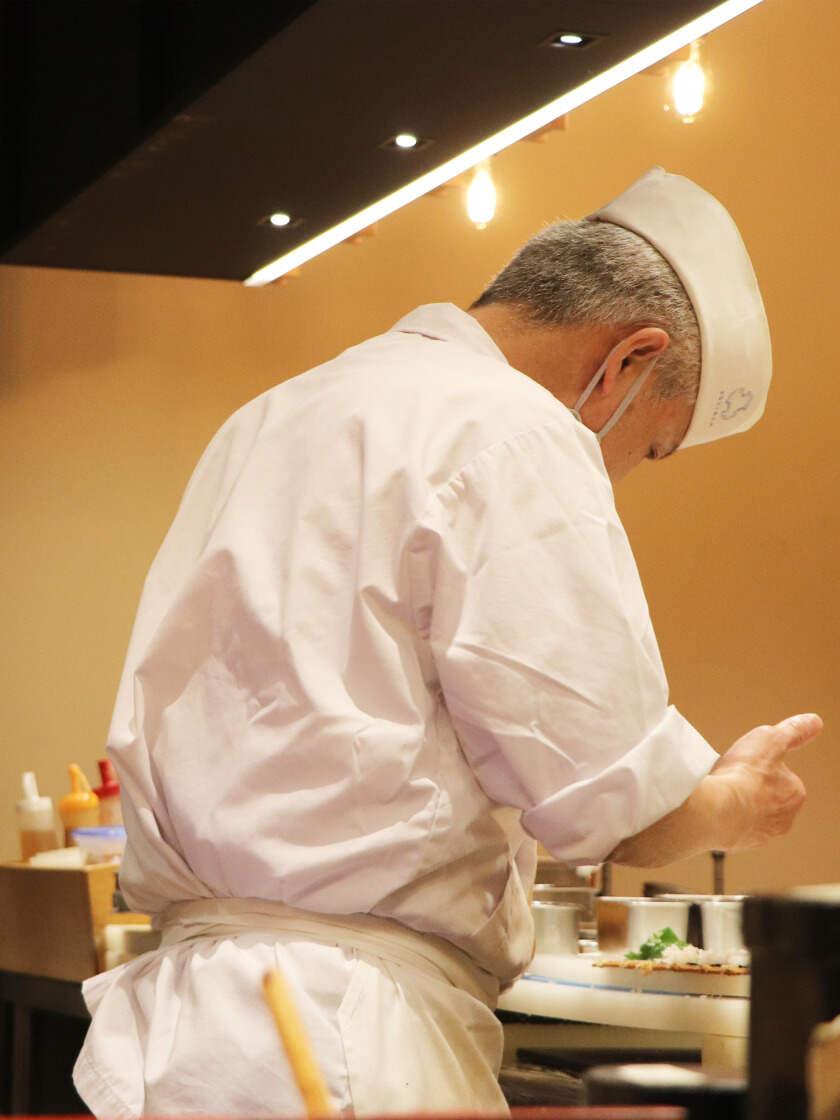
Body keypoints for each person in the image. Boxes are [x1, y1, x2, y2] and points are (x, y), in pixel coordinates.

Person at [73, 167, 822, 1117]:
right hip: (345, 1038)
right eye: (655, 446)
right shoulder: (515, 431)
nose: (629, 471)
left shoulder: (275, 413)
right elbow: (617, 810)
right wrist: (730, 803)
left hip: (186, 1042)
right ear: (630, 359)